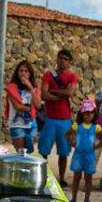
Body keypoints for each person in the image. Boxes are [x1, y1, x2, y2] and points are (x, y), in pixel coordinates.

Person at [39, 49, 78, 187]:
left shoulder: (72, 76)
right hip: (50, 118)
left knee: (63, 151)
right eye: (60, 57)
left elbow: (70, 92)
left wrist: (53, 92)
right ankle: (42, 175)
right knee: (44, 150)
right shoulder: (48, 75)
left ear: (70, 62)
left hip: (65, 119)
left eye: (66, 59)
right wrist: (62, 95)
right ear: (56, 59)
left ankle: (61, 178)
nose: (62, 60)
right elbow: (44, 95)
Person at [66, 99, 102, 202]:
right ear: (82, 114)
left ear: (94, 113)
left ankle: (87, 199)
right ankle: (73, 198)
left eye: (90, 113)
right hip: (78, 155)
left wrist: (96, 146)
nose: (88, 115)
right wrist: (72, 143)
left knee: (88, 178)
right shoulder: (76, 126)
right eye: (86, 113)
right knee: (76, 177)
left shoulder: (96, 127)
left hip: (89, 155)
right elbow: (67, 134)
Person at [5, 60, 41, 153]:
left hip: (31, 124)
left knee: (29, 153)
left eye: (26, 71)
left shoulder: (34, 89)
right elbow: (18, 107)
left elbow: (38, 105)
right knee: (21, 153)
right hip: (17, 124)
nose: (23, 73)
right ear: (17, 73)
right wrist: (29, 107)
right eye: (21, 71)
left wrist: (30, 89)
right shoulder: (11, 88)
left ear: (30, 74)